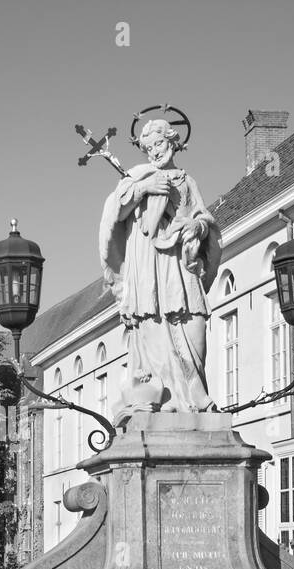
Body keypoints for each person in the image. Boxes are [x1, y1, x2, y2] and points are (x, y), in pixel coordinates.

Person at [100, 117, 221, 418]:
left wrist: (198, 226)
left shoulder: (186, 180)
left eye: (160, 143)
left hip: (181, 267)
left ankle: (196, 394)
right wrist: (144, 188)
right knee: (153, 326)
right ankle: (166, 400)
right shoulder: (137, 176)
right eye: (149, 147)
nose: (155, 151)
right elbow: (116, 209)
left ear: (173, 142)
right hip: (149, 270)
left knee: (195, 329)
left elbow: (206, 218)